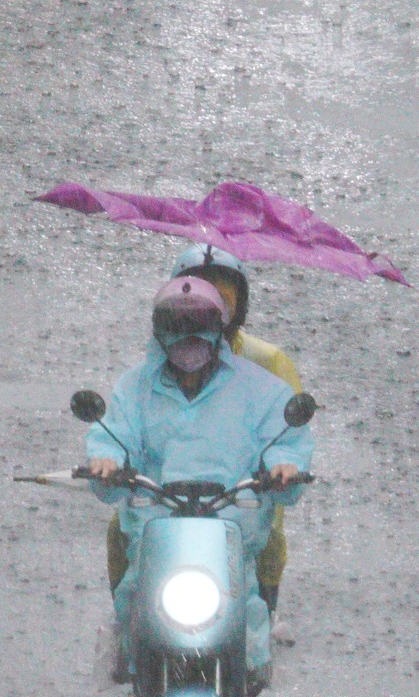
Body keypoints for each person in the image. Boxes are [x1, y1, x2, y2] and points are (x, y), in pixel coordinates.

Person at [87, 276, 313, 696]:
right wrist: (107, 462)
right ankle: (135, 661)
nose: (188, 340)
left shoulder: (260, 389)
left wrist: (284, 466)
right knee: (135, 591)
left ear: (218, 330)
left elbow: (285, 441)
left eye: (198, 328)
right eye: (177, 329)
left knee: (242, 599)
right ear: (159, 333)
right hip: (157, 523)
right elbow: (112, 435)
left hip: (229, 523)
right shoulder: (134, 389)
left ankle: (250, 668)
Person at [106, 244, 302, 619]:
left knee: (264, 550)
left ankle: (254, 643)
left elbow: (286, 431)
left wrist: (281, 469)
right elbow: (124, 429)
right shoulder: (150, 374)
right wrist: (111, 465)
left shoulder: (265, 367)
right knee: (123, 531)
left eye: (223, 301)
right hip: (167, 502)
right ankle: (129, 630)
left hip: (239, 501)